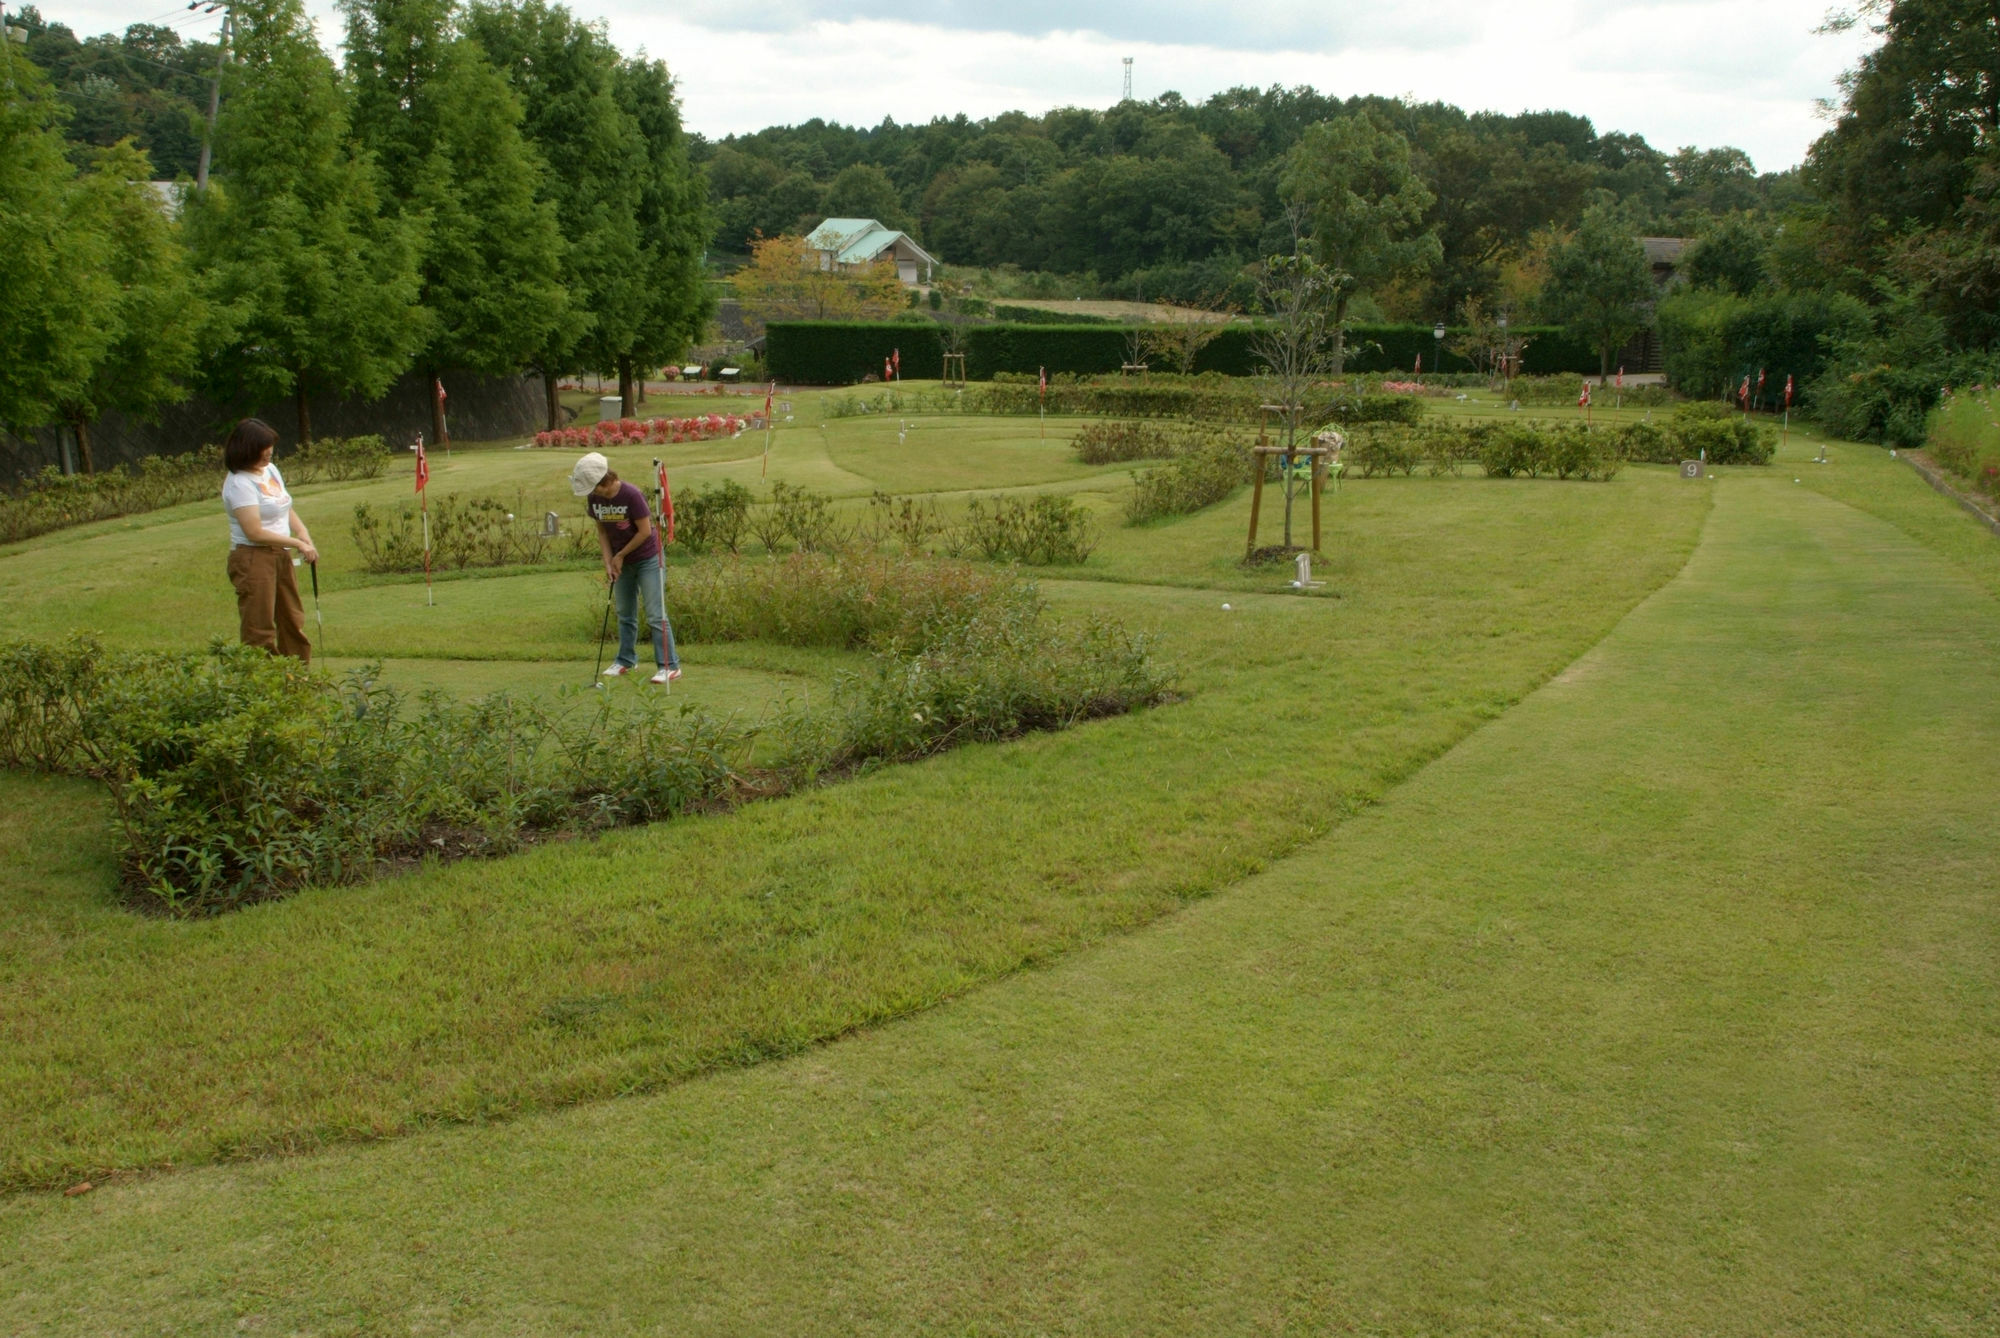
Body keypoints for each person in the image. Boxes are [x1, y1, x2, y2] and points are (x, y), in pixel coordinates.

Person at [570, 451, 681, 685]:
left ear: (605, 482)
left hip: (648, 558)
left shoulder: (631, 495)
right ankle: (626, 660)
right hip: (621, 560)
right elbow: (602, 531)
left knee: (655, 614)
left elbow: (645, 532)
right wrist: (608, 561)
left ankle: (669, 666)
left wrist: (620, 555)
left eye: (595, 488)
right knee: (624, 613)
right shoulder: (594, 499)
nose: (593, 492)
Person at [221, 418, 317, 663]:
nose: (269, 452)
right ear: (246, 449)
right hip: (253, 557)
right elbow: (254, 531)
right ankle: (264, 688)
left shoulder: (270, 470)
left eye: (270, 447)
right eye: (263, 448)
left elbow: (284, 507)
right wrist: (297, 544)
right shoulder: (239, 483)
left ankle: (296, 681)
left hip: (280, 552)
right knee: (259, 627)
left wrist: (302, 533)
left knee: (292, 619)